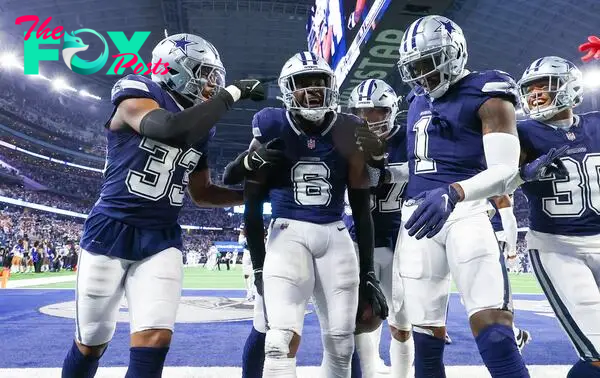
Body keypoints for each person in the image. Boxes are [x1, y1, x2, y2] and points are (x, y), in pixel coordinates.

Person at [61, 32, 265, 378]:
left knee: (154, 338)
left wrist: (249, 195)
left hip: (161, 238)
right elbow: (169, 129)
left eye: (216, 77)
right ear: (174, 69)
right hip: (110, 230)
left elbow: (201, 193)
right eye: (204, 73)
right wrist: (234, 93)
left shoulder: (201, 126)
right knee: (91, 342)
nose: (212, 83)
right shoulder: (138, 91)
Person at [225, 51, 388, 378]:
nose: (312, 90)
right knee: (279, 341)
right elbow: (251, 202)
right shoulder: (272, 124)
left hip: (335, 234)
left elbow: (361, 206)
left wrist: (369, 271)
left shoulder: (349, 128)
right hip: (287, 234)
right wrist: (258, 264)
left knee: (343, 344)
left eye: (320, 83)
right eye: (303, 83)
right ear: (288, 89)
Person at [395, 15, 531, 377]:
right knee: (425, 342)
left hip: (466, 210)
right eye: (414, 68)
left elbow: (505, 172)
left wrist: (454, 192)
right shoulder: (415, 101)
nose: (422, 76)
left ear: (454, 54)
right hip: (418, 217)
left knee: (496, 332)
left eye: (428, 63)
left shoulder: (486, 90)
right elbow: (421, 166)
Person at [516, 56, 600, 378]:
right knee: (596, 353)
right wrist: (523, 174)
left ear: (569, 87)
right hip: (558, 246)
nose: (535, 95)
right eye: (531, 89)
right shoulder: (522, 132)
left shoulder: (595, 123)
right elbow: (497, 178)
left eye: (544, 86)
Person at [345, 79, 413, 378]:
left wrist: (387, 172)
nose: (368, 119)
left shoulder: (410, 138)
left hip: (403, 238)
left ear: (391, 111)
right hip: (361, 239)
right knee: (362, 318)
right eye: (361, 112)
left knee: (402, 322)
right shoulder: (345, 141)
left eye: (376, 111)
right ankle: (369, 372)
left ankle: (401, 374)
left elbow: (428, 170)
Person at [490, 195, 532, 352]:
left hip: (492, 234)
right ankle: (514, 333)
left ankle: (513, 335)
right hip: (472, 231)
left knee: (494, 294)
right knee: (473, 293)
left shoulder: (493, 175)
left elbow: (505, 205)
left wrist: (513, 250)